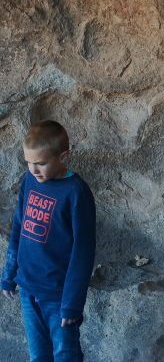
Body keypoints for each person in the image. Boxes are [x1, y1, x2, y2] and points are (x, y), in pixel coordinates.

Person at [1, 120, 97, 361]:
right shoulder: (30, 182)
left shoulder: (76, 192)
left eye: (41, 163)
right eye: (28, 162)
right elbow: (19, 229)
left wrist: (72, 304)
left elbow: (83, 253)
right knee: (38, 356)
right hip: (28, 289)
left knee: (66, 355)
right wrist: (9, 274)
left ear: (63, 157)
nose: (33, 170)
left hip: (58, 296)